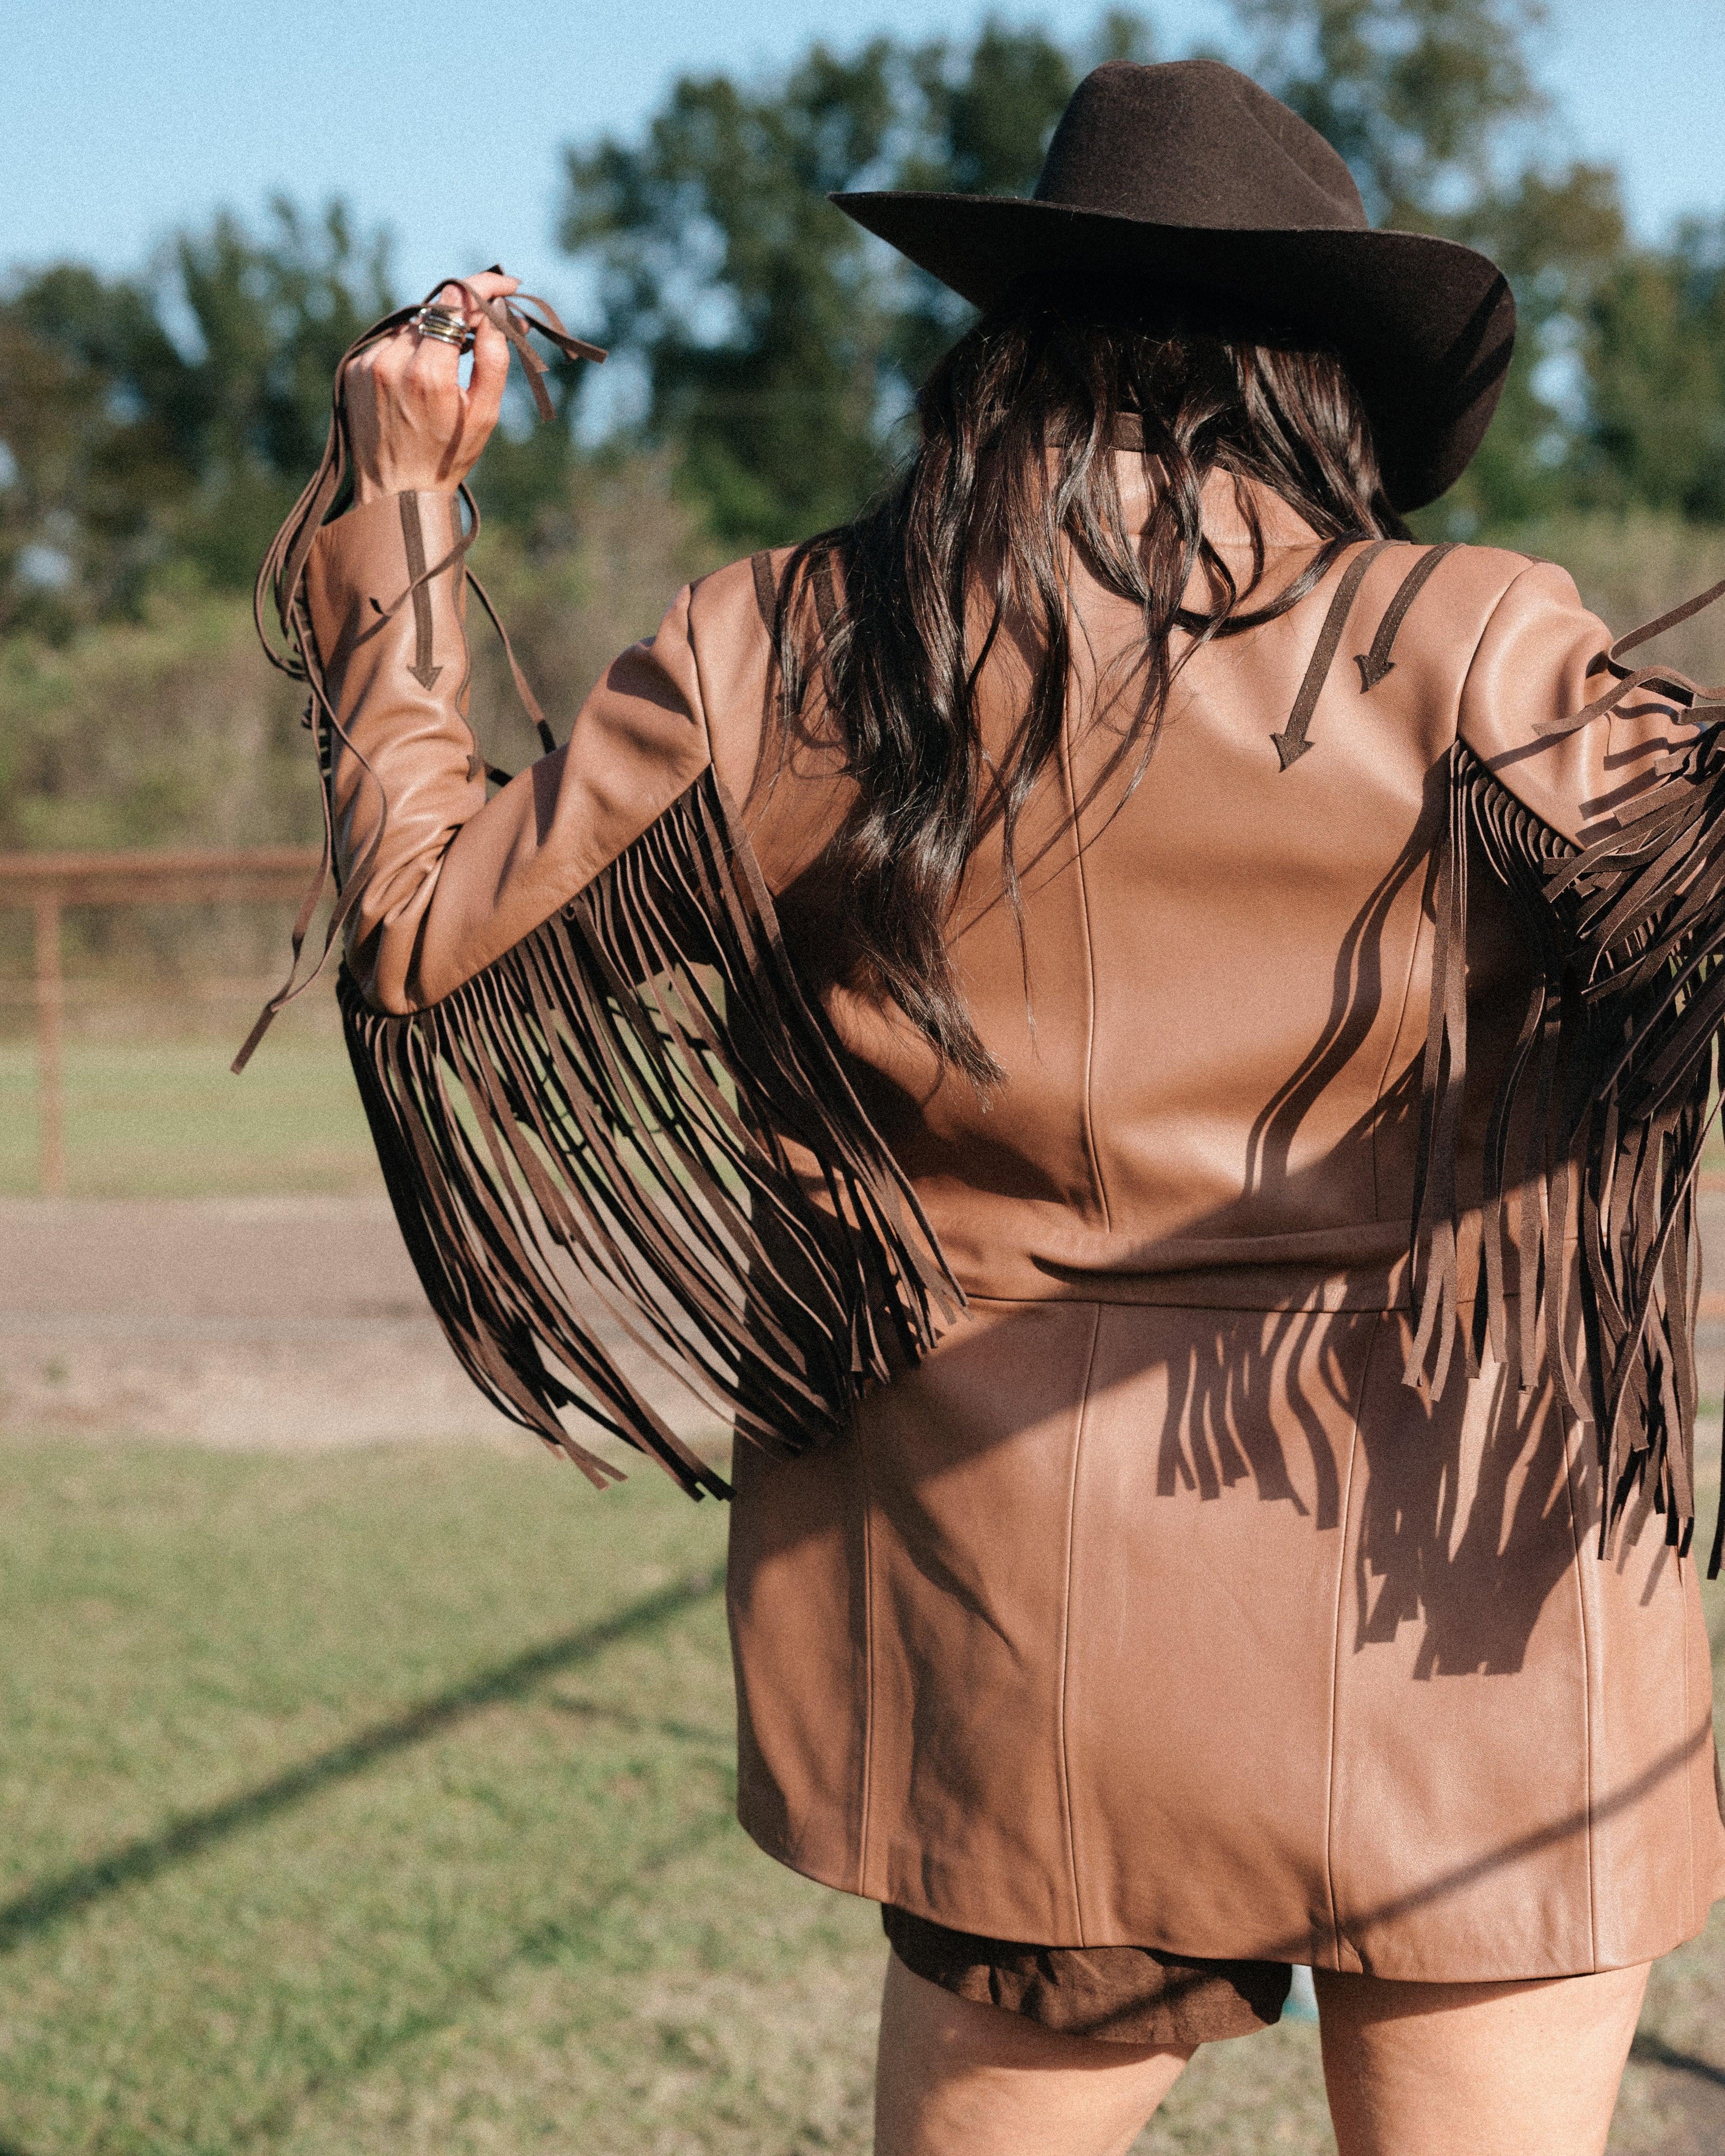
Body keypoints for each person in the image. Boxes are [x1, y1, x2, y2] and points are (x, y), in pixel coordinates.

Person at [257, 58, 1725, 2156]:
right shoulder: (1478, 642)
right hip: (1478, 1631)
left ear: (999, 352)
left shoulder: (793, 653)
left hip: (1025, 1678)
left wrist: (395, 513)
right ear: (1325, 391)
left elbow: (422, 932)